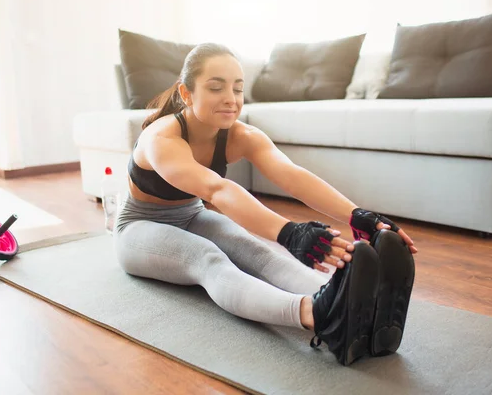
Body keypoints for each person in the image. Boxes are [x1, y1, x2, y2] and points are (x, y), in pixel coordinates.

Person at [113, 43, 417, 366]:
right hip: (139, 227)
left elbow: (292, 176)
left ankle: (346, 303)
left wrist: (359, 215)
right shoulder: (162, 137)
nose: (231, 98)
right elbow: (217, 190)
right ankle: (314, 314)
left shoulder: (241, 135)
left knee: (254, 250)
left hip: (190, 215)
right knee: (208, 258)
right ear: (186, 94)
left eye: (238, 88)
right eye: (216, 87)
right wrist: (291, 233)